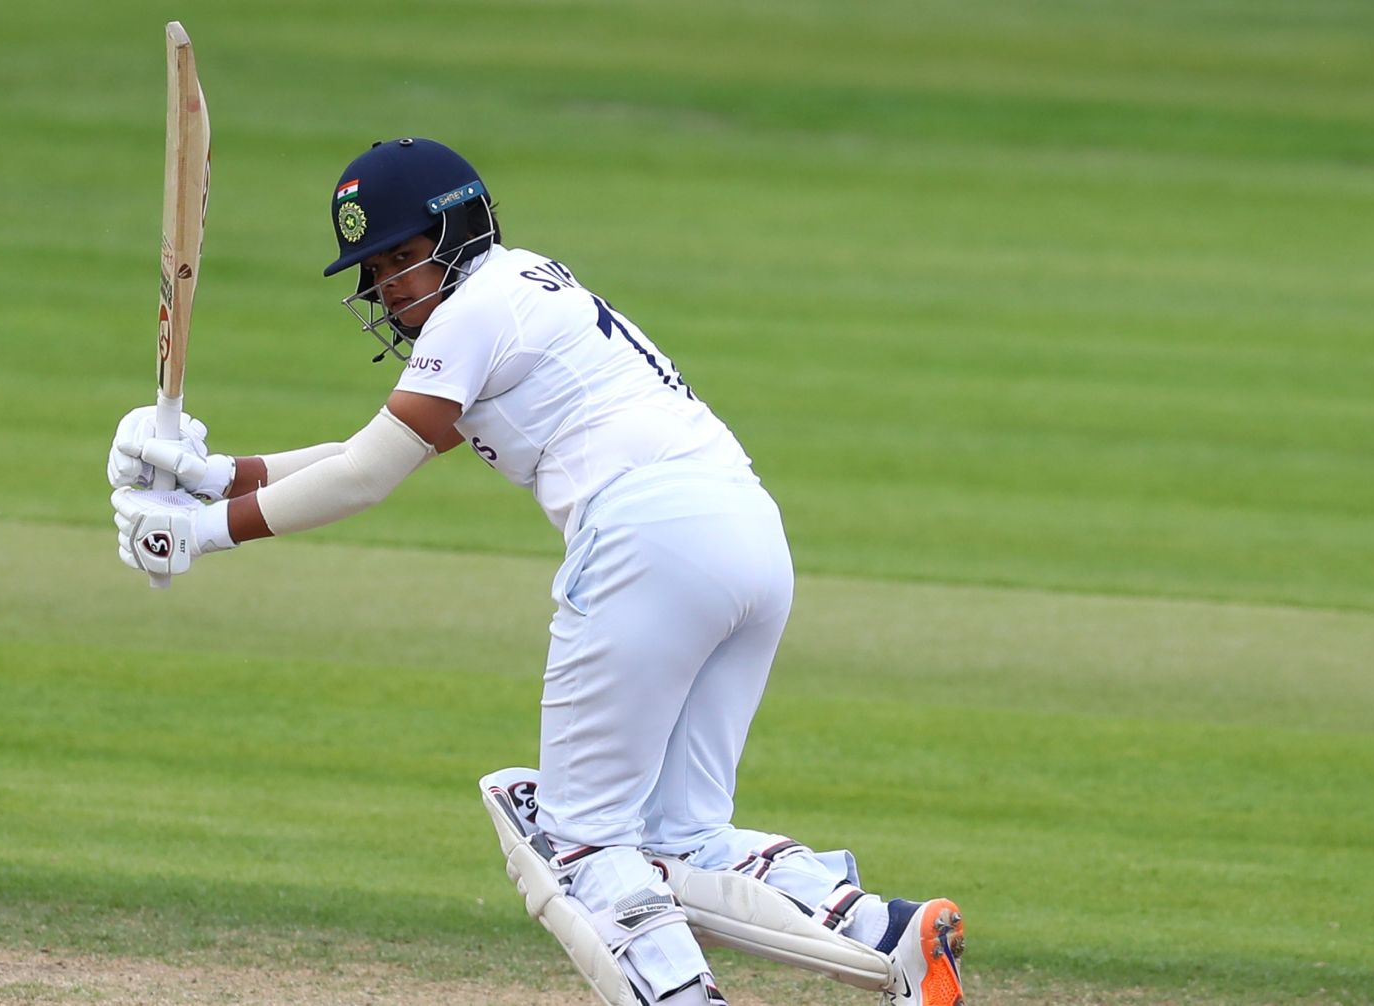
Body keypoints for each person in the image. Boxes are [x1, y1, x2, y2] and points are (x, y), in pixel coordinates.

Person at [107, 138, 965, 1006]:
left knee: (574, 843)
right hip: (745, 535)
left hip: (646, 542)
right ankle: (892, 937)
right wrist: (213, 475)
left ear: (460, 230)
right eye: (374, 269)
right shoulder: (524, 286)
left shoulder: (474, 311)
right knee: (682, 840)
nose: (387, 288)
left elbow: (368, 474)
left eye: (401, 258)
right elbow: (365, 450)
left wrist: (203, 534)